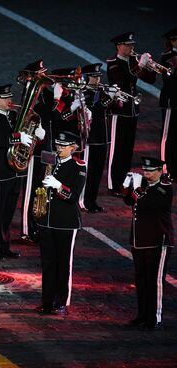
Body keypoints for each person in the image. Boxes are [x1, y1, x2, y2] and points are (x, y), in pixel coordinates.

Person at [0, 84, 43, 260]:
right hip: (0, 171)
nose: (9, 101)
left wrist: (37, 134)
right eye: (4, 98)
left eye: (10, 97)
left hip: (17, 170)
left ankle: (3, 245)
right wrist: (17, 137)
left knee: (8, 211)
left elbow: (27, 137)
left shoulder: (16, 116)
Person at [35, 131, 86, 316]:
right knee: (48, 262)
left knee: (63, 263)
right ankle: (47, 300)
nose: (59, 149)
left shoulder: (78, 166)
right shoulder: (51, 160)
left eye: (63, 146)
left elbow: (73, 197)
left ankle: (61, 301)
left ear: (73, 147)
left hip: (65, 222)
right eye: (58, 145)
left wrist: (58, 186)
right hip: (47, 220)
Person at [122, 157, 173, 330]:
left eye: (150, 171)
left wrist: (136, 188)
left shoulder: (164, 189)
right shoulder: (144, 188)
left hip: (157, 241)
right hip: (139, 241)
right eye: (145, 171)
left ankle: (154, 317)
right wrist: (126, 184)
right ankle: (142, 315)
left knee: (155, 281)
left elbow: (145, 204)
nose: (147, 174)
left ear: (160, 171)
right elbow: (128, 200)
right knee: (142, 280)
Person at [106, 32, 156, 195]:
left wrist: (149, 66)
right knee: (116, 150)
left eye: (132, 45)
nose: (132, 47)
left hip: (132, 111)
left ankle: (124, 183)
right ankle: (114, 185)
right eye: (128, 45)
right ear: (119, 46)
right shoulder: (112, 62)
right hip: (119, 111)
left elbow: (150, 80)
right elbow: (123, 80)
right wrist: (140, 66)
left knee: (127, 150)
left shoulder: (134, 61)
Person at [19, 60, 55, 244]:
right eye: (40, 73)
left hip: (47, 145)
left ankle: (39, 224)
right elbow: (27, 119)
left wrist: (60, 97)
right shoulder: (30, 93)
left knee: (43, 187)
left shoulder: (45, 92)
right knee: (30, 190)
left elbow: (54, 114)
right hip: (35, 148)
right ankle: (27, 228)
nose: (44, 75)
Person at [80, 63, 117, 213]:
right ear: (88, 77)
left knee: (97, 173)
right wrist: (110, 97)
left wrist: (116, 98)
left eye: (99, 76)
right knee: (87, 172)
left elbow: (115, 108)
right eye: (95, 76)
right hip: (90, 139)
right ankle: (82, 201)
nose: (98, 79)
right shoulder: (85, 93)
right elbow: (96, 108)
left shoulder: (101, 91)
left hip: (102, 137)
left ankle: (92, 201)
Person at [159, 27, 177, 179]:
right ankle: (165, 169)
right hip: (171, 101)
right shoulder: (167, 57)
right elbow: (168, 78)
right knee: (167, 137)